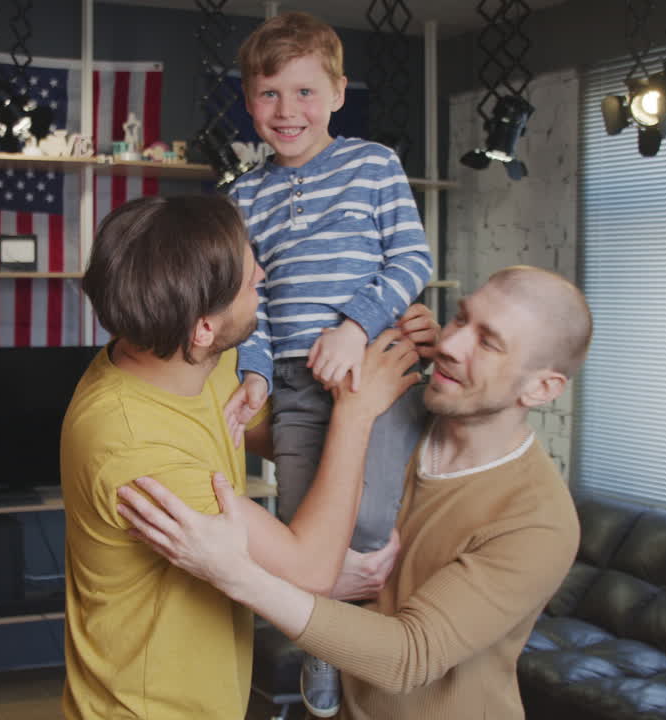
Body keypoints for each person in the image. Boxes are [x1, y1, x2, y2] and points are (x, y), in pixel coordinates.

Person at [118, 265, 593, 720]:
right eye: (461, 317)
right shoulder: (384, 404)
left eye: (487, 343)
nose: (449, 342)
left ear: (542, 388)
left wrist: (236, 573)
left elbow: (408, 655)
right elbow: (258, 425)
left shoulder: (538, 521)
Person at [60, 194, 437, 720]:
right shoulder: (132, 445)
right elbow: (310, 569)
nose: (263, 272)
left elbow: (270, 433)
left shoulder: (191, 359)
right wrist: (357, 412)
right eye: (248, 276)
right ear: (204, 327)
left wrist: (390, 339)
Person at [222, 13, 434, 714]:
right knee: (301, 537)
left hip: (373, 367)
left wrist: (352, 325)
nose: (288, 112)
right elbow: (251, 307)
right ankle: (322, 661)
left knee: (368, 524)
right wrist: (253, 374)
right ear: (249, 100)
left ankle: (369, 655)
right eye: (271, 94)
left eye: (306, 92)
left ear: (339, 93)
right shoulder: (242, 196)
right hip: (295, 386)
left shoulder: (372, 164)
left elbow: (412, 260)